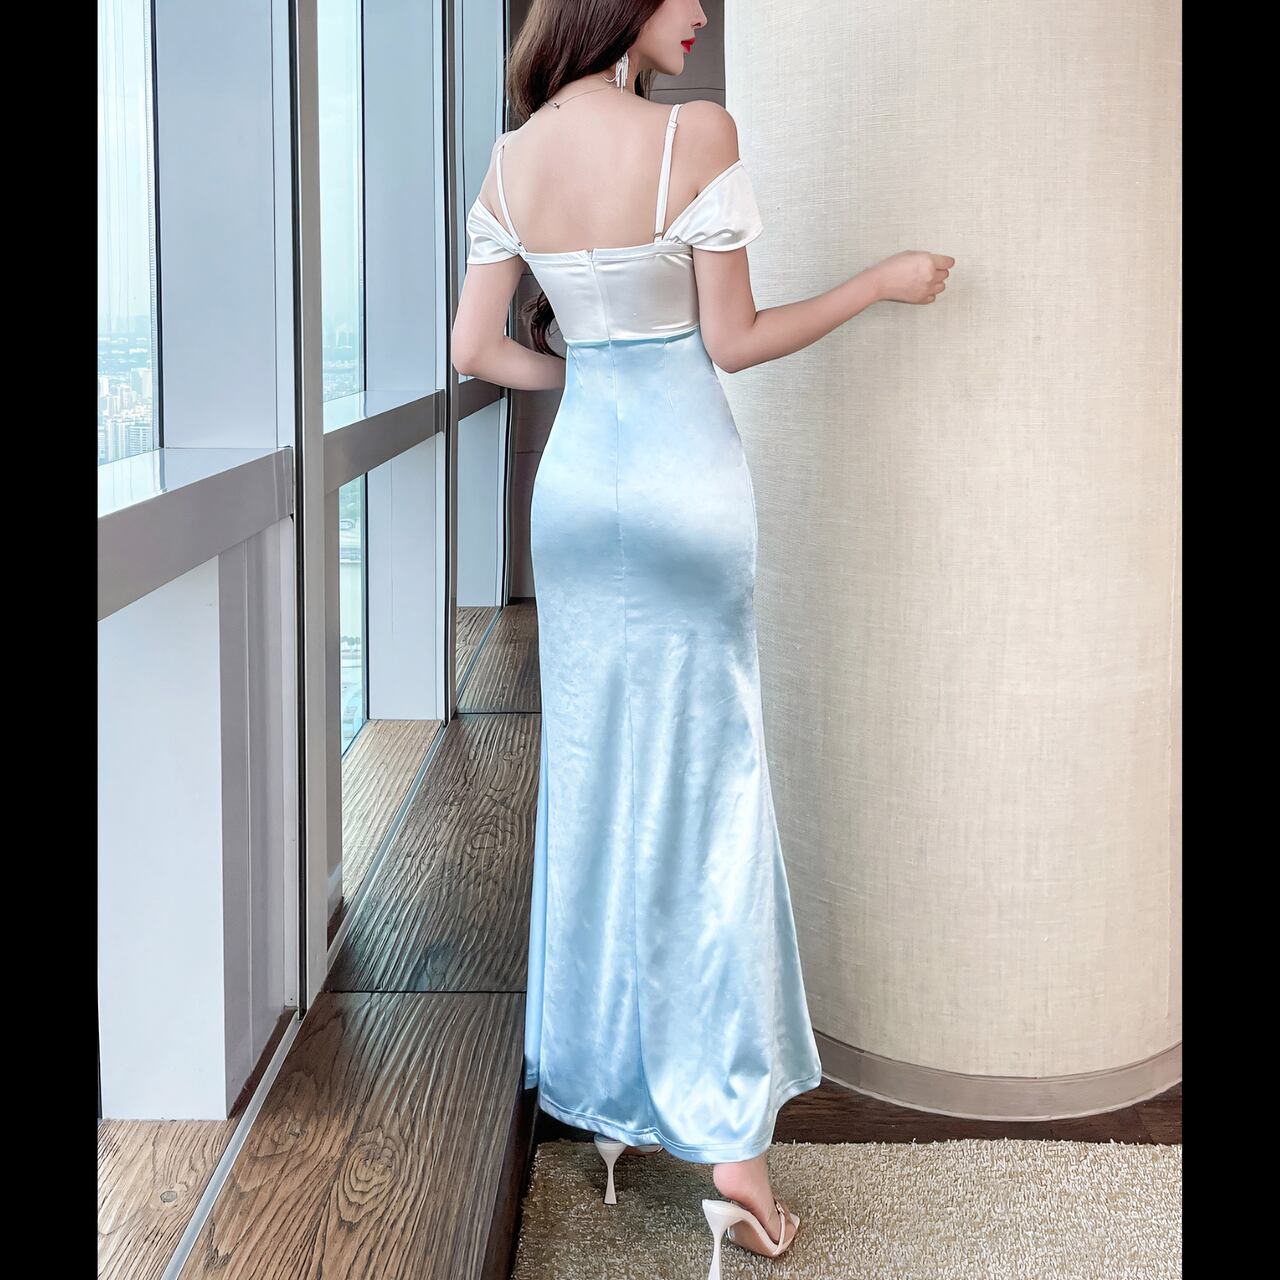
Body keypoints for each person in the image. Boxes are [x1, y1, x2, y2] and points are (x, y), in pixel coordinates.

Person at [451, 1, 954, 1272]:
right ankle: (732, 1160)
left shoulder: (513, 158)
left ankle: (611, 1101)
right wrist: (877, 284)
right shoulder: (694, 135)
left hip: (577, 499)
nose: (698, 13)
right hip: (685, 493)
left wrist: (585, 372)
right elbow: (731, 341)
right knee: (707, 799)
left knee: (597, 784)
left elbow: (472, 349)